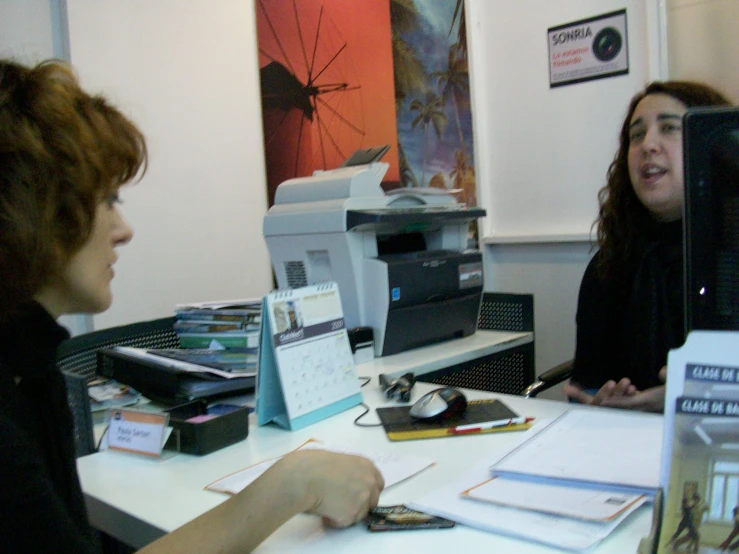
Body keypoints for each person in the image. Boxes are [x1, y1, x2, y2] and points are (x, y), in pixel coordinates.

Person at [0, 59, 384, 553]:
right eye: (107, 200)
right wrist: (291, 485)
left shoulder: (32, 373)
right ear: (36, 208)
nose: (124, 230)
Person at [564, 81, 732, 412]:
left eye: (669, 128)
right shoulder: (609, 265)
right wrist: (598, 402)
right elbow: (586, 384)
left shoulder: (730, 256)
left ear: (716, 144)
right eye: (636, 135)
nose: (648, 145)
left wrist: (687, 399)